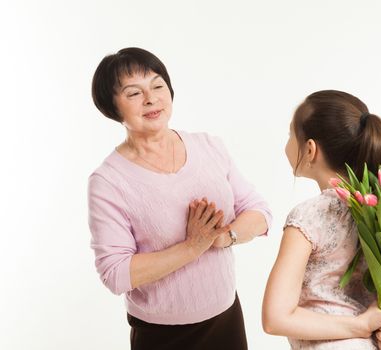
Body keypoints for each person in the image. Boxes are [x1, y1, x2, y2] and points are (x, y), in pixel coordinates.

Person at [88, 47, 272, 350]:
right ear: (112, 106)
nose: (151, 99)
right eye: (134, 93)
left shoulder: (209, 146)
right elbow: (115, 273)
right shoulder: (108, 181)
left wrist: (224, 237)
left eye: (158, 86)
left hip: (226, 317)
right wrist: (191, 248)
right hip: (162, 335)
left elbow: (259, 211)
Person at [262, 90, 381, 349]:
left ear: (310, 149)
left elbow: (275, 318)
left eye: (291, 134)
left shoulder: (308, 216)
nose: (287, 143)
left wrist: (358, 325)